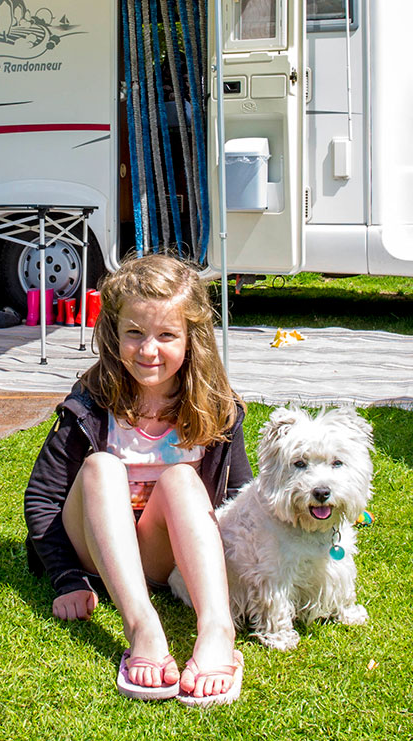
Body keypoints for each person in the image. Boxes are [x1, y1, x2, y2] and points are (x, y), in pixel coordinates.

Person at [22, 254, 250, 706]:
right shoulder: (91, 401)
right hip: (99, 551)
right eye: (135, 333)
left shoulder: (219, 408)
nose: (149, 350)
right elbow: (43, 497)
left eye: (167, 335)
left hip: (168, 556)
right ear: (113, 333)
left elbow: (243, 498)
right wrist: (68, 578)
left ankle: (218, 630)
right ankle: (142, 627)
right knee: (102, 467)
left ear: (192, 339)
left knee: (183, 481)